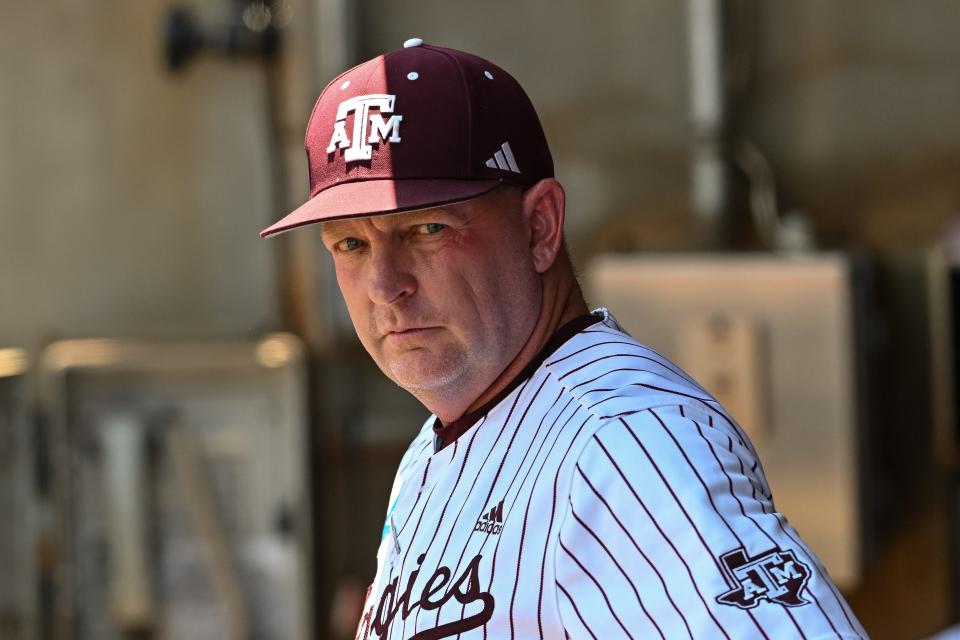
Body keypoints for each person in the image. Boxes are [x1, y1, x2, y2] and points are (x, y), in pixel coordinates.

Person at [262, 39, 867, 640]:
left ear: (540, 227)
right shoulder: (434, 450)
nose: (385, 285)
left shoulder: (626, 439)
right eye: (351, 244)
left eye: (426, 228)